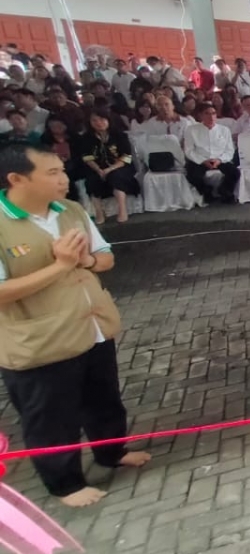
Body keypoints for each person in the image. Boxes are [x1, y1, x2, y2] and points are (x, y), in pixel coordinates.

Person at [0, 143, 150, 507]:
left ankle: (111, 452)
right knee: (51, 415)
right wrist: (60, 266)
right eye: (51, 173)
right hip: (40, 338)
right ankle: (65, 484)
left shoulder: (69, 210)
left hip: (91, 324)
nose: (63, 179)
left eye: (62, 170)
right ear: (17, 179)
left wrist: (86, 261)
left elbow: (105, 258)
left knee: (103, 398)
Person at [78, 113, 140, 224]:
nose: (98, 123)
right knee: (92, 179)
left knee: (116, 176)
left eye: (102, 119)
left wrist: (110, 169)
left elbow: (126, 157)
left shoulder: (120, 135)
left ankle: (122, 210)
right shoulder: (86, 138)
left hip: (120, 166)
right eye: (94, 120)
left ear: (108, 120)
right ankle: (99, 212)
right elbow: (87, 157)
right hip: (97, 167)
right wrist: (98, 169)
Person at [183, 103, 239, 204]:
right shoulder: (192, 130)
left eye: (213, 113)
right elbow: (189, 150)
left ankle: (225, 191)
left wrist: (219, 160)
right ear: (201, 115)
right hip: (200, 160)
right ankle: (206, 191)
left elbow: (230, 150)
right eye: (207, 113)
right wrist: (203, 161)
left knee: (235, 173)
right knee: (193, 175)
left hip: (219, 160)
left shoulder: (224, 130)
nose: (211, 117)